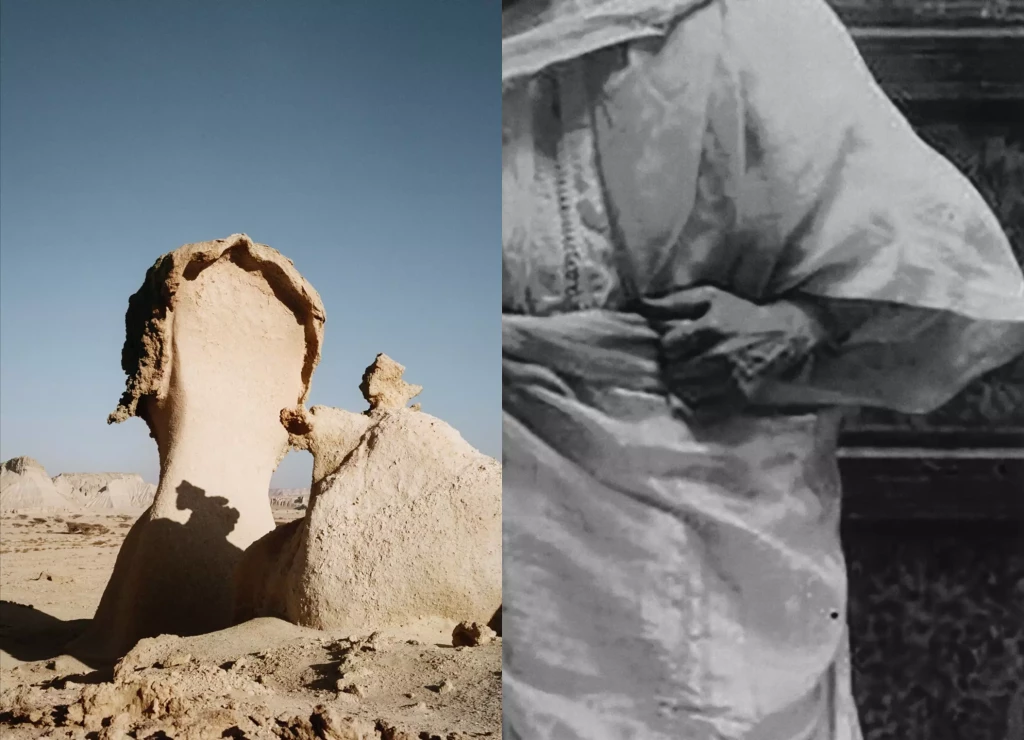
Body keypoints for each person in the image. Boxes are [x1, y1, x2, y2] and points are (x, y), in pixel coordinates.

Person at [501, 0, 1024, 738]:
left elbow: (943, 267)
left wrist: (798, 327)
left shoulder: (750, 19)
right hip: (507, 519)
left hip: (706, 516)